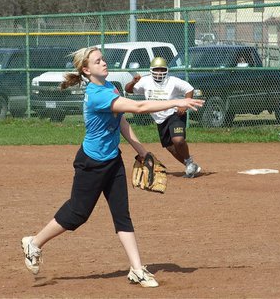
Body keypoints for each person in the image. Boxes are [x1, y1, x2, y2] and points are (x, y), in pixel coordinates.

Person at [21, 47, 204, 288]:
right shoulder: (97, 94)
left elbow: (122, 121)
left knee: (122, 214)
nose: (104, 63)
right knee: (77, 214)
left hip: (112, 160)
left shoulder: (109, 87)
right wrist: (178, 101)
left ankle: (137, 269)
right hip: (91, 162)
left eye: (103, 59)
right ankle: (33, 242)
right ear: (86, 70)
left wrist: (142, 151)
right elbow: (138, 108)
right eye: (98, 61)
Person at [125, 57, 201, 178]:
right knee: (170, 147)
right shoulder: (145, 81)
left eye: (162, 69)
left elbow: (189, 89)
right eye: (156, 69)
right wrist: (133, 81)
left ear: (166, 70)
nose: (159, 72)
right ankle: (189, 164)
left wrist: (185, 106)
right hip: (160, 119)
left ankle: (188, 160)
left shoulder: (173, 81)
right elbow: (128, 90)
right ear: (151, 70)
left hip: (174, 114)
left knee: (178, 140)